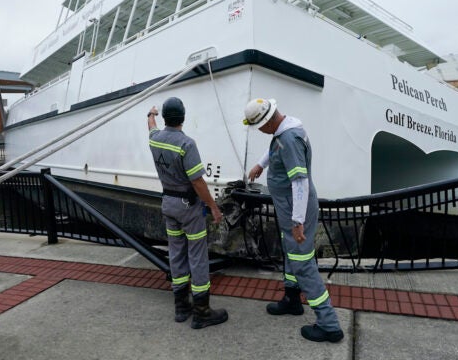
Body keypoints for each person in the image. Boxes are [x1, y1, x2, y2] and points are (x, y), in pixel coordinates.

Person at [243, 97, 343, 343]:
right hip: (289, 208)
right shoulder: (284, 130)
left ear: (267, 123)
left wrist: (297, 221)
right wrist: (260, 164)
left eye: (259, 127)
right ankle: (291, 299)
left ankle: (329, 324)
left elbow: (300, 182)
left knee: (301, 262)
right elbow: (273, 149)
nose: (260, 131)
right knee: (291, 253)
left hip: (296, 210)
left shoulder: (289, 140)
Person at [147, 97, 228, 329]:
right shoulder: (186, 144)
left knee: (176, 253)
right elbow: (198, 182)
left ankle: (181, 307)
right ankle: (202, 311)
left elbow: (151, 129)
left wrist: (149, 115)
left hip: (168, 204)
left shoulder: (155, 141)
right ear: (183, 117)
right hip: (188, 208)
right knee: (197, 255)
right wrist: (213, 206)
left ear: (165, 117)